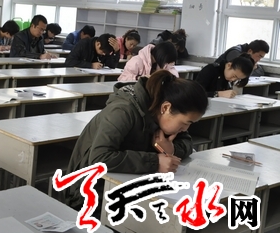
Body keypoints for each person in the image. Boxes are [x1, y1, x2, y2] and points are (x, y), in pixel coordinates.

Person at [65, 70, 208, 211]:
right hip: (91, 192)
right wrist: (155, 162)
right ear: (166, 107)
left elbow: (187, 142)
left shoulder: (163, 115)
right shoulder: (123, 111)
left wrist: (171, 148)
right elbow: (99, 158)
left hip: (129, 186)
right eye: (185, 123)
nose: (185, 128)